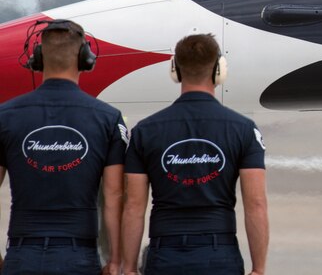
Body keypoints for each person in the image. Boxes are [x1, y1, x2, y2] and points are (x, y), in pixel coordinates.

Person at [122, 34, 268, 275]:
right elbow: (256, 204)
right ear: (219, 70)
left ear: (175, 70)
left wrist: (128, 267)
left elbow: (134, 206)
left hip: (165, 252)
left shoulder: (145, 131)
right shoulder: (243, 129)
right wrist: (259, 269)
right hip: (219, 253)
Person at [0, 19, 126, 275]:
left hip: (22, 255)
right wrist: (115, 260)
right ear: (84, 59)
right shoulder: (108, 118)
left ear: (37, 58)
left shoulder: (5, 115)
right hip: (78, 255)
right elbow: (114, 195)